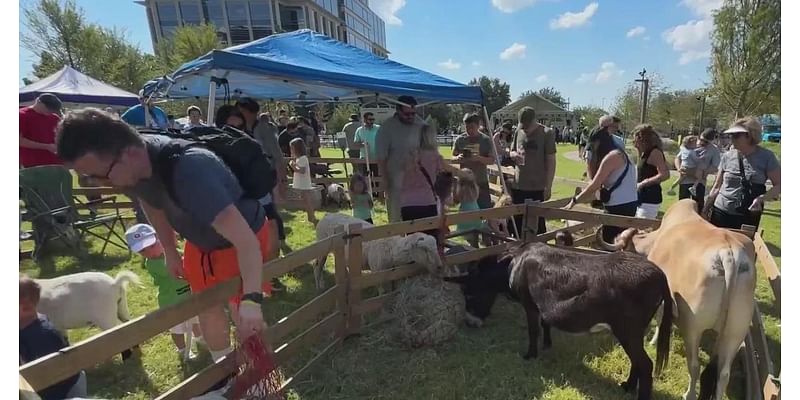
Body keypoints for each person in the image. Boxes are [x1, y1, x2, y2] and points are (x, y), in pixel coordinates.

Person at [56, 108, 271, 375]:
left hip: (240, 238)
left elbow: (247, 242)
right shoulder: (133, 169)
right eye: (85, 177)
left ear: (129, 153)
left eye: (99, 176)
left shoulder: (192, 171)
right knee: (205, 304)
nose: (96, 185)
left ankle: (256, 377)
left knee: (244, 315)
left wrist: (252, 301)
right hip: (200, 240)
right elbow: (152, 201)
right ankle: (226, 373)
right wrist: (170, 250)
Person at [125, 223, 204, 361]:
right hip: (171, 301)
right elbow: (179, 269)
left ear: (159, 238)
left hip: (189, 295)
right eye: (143, 251)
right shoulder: (153, 264)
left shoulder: (173, 252)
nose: (150, 252)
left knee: (195, 320)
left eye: (152, 245)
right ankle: (182, 349)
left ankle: (200, 339)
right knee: (177, 328)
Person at [236, 98, 291, 259]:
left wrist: (282, 180)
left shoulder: (263, 129)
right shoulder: (239, 128)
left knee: (269, 207)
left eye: (242, 111)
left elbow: (277, 155)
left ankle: (278, 240)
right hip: (248, 175)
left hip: (267, 172)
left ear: (250, 112)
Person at [704, 117, 781, 230]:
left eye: (736, 135)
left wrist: (761, 199)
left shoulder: (767, 157)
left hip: (748, 215)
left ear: (750, 136)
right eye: (730, 136)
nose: (731, 139)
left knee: (743, 246)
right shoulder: (727, 156)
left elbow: (779, 185)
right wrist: (705, 209)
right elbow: (716, 186)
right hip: (720, 211)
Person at [565, 129, 638, 243]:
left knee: (609, 242)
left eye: (593, 146)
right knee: (623, 242)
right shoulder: (623, 155)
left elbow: (595, 184)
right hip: (630, 204)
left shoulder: (611, 157)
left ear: (599, 143)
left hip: (617, 207)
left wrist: (575, 201)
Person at [20, 277, 86, 400]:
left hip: (66, 390)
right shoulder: (23, 326)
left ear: (25, 308)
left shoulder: (44, 337)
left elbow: (54, 382)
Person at [375, 95, 428, 223]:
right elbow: (381, 158)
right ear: (398, 110)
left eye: (413, 113)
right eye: (407, 114)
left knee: (418, 220)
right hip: (395, 183)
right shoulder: (386, 128)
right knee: (396, 219)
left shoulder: (421, 125)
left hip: (418, 182)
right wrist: (384, 180)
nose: (411, 117)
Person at [509, 106, 556, 236]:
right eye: (522, 125)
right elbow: (512, 150)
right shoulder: (518, 132)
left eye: (527, 126)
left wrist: (549, 186)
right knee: (516, 225)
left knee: (537, 226)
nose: (525, 129)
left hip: (537, 187)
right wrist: (513, 155)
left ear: (535, 121)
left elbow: (551, 161)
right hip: (519, 185)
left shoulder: (547, 133)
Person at [452, 113, 494, 210]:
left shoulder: (486, 140)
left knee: (484, 211)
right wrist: (458, 157)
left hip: (481, 181)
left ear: (478, 125)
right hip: (465, 183)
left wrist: (479, 158)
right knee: (467, 213)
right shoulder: (460, 140)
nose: (469, 130)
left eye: (472, 127)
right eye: (467, 127)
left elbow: (491, 160)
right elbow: (452, 158)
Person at [632, 124, 670, 219]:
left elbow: (665, 175)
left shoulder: (655, 152)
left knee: (642, 227)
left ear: (641, 138)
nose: (633, 141)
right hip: (640, 196)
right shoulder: (644, 153)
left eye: (635, 138)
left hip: (650, 197)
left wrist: (644, 183)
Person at [20, 93, 63, 168]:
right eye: (49, 108)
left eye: (53, 109)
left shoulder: (54, 118)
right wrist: (46, 146)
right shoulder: (22, 115)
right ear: (39, 102)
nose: (51, 111)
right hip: (32, 164)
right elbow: (19, 141)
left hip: (55, 163)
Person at [289, 138, 319, 225]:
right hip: (301, 183)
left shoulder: (303, 158)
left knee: (307, 201)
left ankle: (312, 217)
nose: (291, 150)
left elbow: (301, 170)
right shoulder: (299, 158)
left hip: (304, 183)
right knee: (305, 201)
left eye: (292, 148)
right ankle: (310, 217)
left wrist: (293, 165)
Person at [454, 168, 481, 248]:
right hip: (475, 209)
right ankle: (475, 250)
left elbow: (457, 200)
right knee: (474, 234)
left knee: (469, 235)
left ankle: (474, 252)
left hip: (465, 211)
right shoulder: (475, 188)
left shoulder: (461, 189)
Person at [353, 112, 380, 178]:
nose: (372, 121)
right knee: (365, 178)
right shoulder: (359, 130)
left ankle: (376, 188)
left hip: (376, 158)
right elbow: (355, 144)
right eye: (370, 119)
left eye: (373, 119)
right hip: (365, 158)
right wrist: (362, 144)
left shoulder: (378, 128)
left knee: (377, 178)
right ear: (364, 120)